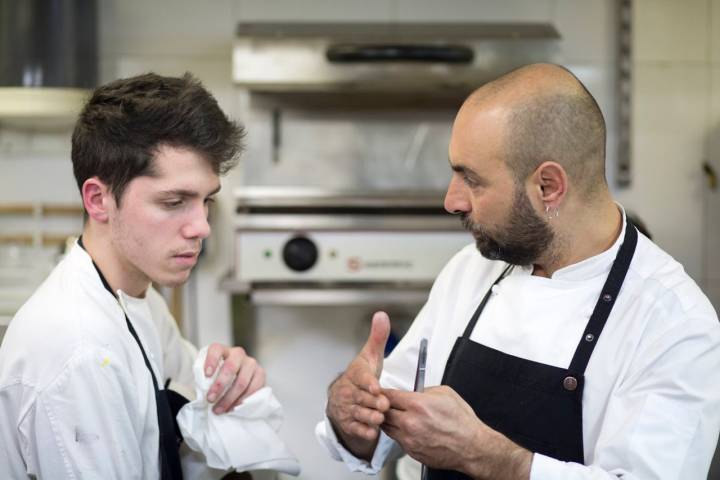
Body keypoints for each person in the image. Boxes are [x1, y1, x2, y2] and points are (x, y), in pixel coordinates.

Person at [316, 63, 720, 479]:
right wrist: (352, 412)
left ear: (548, 186)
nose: (452, 201)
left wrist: (488, 456)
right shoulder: (471, 270)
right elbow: (385, 418)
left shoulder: (674, 321)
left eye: (471, 180)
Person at [0, 73, 266, 479]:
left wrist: (226, 380)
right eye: (174, 202)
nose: (202, 227)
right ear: (99, 200)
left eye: (206, 200)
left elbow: (189, 410)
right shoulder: (78, 353)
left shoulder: (139, 298)